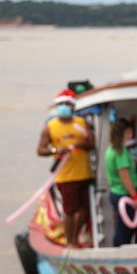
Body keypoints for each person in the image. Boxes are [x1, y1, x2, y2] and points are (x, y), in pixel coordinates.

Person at [36, 88, 95, 247]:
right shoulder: (50, 127)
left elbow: (91, 144)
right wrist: (55, 150)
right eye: (61, 104)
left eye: (67, 104)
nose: (64, 107)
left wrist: (82, 145)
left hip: (84, 173)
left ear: (73, 106)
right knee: (69, 210)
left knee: (85, 208)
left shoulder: (81, 123)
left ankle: (75, 236)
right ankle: (70, 242)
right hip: (65, 176)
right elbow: (40, 150)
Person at [105, 118, 137, 246]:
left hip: (118, 192)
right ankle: (121, 252)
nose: (131, 135)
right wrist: (135, 197)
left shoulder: (110, 149)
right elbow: (125, 176)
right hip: (124, 193)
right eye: (129, 132)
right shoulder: (121, 151)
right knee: (125, 230)